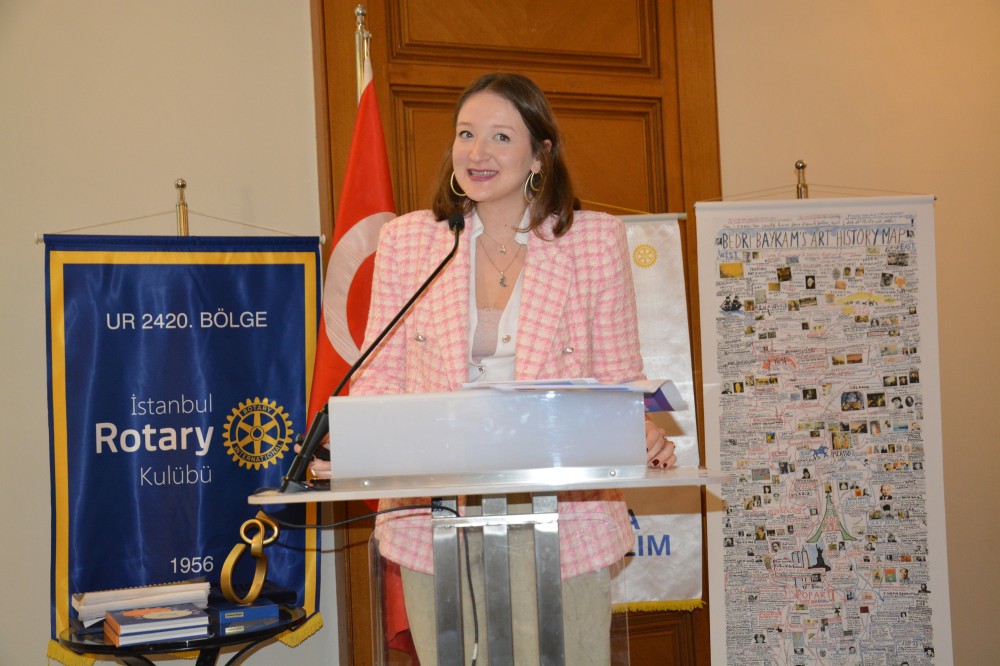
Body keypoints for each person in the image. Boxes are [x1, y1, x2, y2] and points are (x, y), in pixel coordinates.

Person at [307, 72, 676, 664]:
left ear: (540, 154)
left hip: (560, 514)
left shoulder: (594, 240)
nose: (477, 152)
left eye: (501, 136)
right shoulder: (408, 242)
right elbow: (379, 375)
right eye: (466, 134)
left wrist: (640, 429)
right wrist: (354, 446)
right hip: (434, 513)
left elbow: (618, 377)